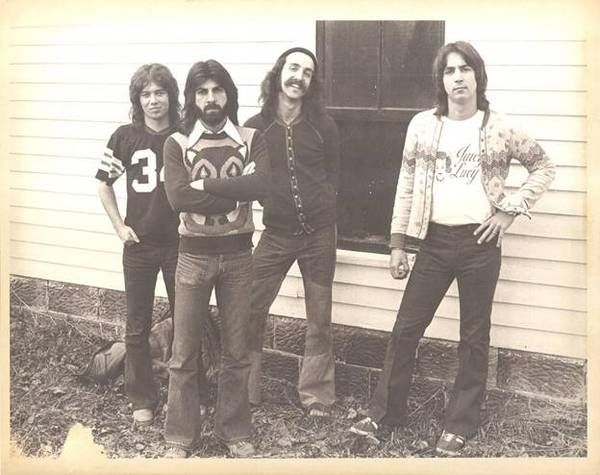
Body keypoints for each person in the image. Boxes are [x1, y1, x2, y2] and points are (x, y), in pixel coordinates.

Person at [349, 41, 556, 456]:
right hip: (434, 243)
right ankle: (385, 414)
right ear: (440, 80)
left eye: (465, 69)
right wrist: (397, 243)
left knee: (474, 336)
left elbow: (544, 166)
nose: (458, 77)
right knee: (406, 328)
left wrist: (508, 212)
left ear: (478, 76)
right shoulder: (423, 126)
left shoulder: (500, 128)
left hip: (480, 244)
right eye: (449, 70)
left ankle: (460, 424)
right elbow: (406, 184)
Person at [163, 59, 269, 458]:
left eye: (217, 90)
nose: (210, 98)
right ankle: (180, 436)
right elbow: (178, 198)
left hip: (240, 257)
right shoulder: (177, 143)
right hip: (192, 258)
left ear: (229, 95)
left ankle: (234, 430)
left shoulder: (251, 138)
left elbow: (262, 186)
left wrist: (204, 184)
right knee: (183, 353)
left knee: (236, 351)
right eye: (202, 91)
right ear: (192, 98)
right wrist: (234, 190)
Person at [95, 63, 210, 427]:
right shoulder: (125, 136)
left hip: (181, 245)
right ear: (137, 100)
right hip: (140, 246)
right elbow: (103, 183)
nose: (153, 100)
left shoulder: (187, 135)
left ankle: (193, 393)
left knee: (188, 321)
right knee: (137, 324)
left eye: (160, 92)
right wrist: (119, 226)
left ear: (171, 96)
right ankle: (141, 396)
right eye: (145, 94)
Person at [242, 47, 340, 417]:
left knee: (319, 318)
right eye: (293, 68)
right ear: (279, 72)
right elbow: (244, 178)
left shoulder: (323, 125)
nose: (299, 76)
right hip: (275, 235)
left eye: (307, 72)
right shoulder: (254, 127)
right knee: (249, 307)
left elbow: (335, 175)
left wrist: (324, 205)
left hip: (319, 236)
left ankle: (317, 396)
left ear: (312, 83)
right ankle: (245, 390)